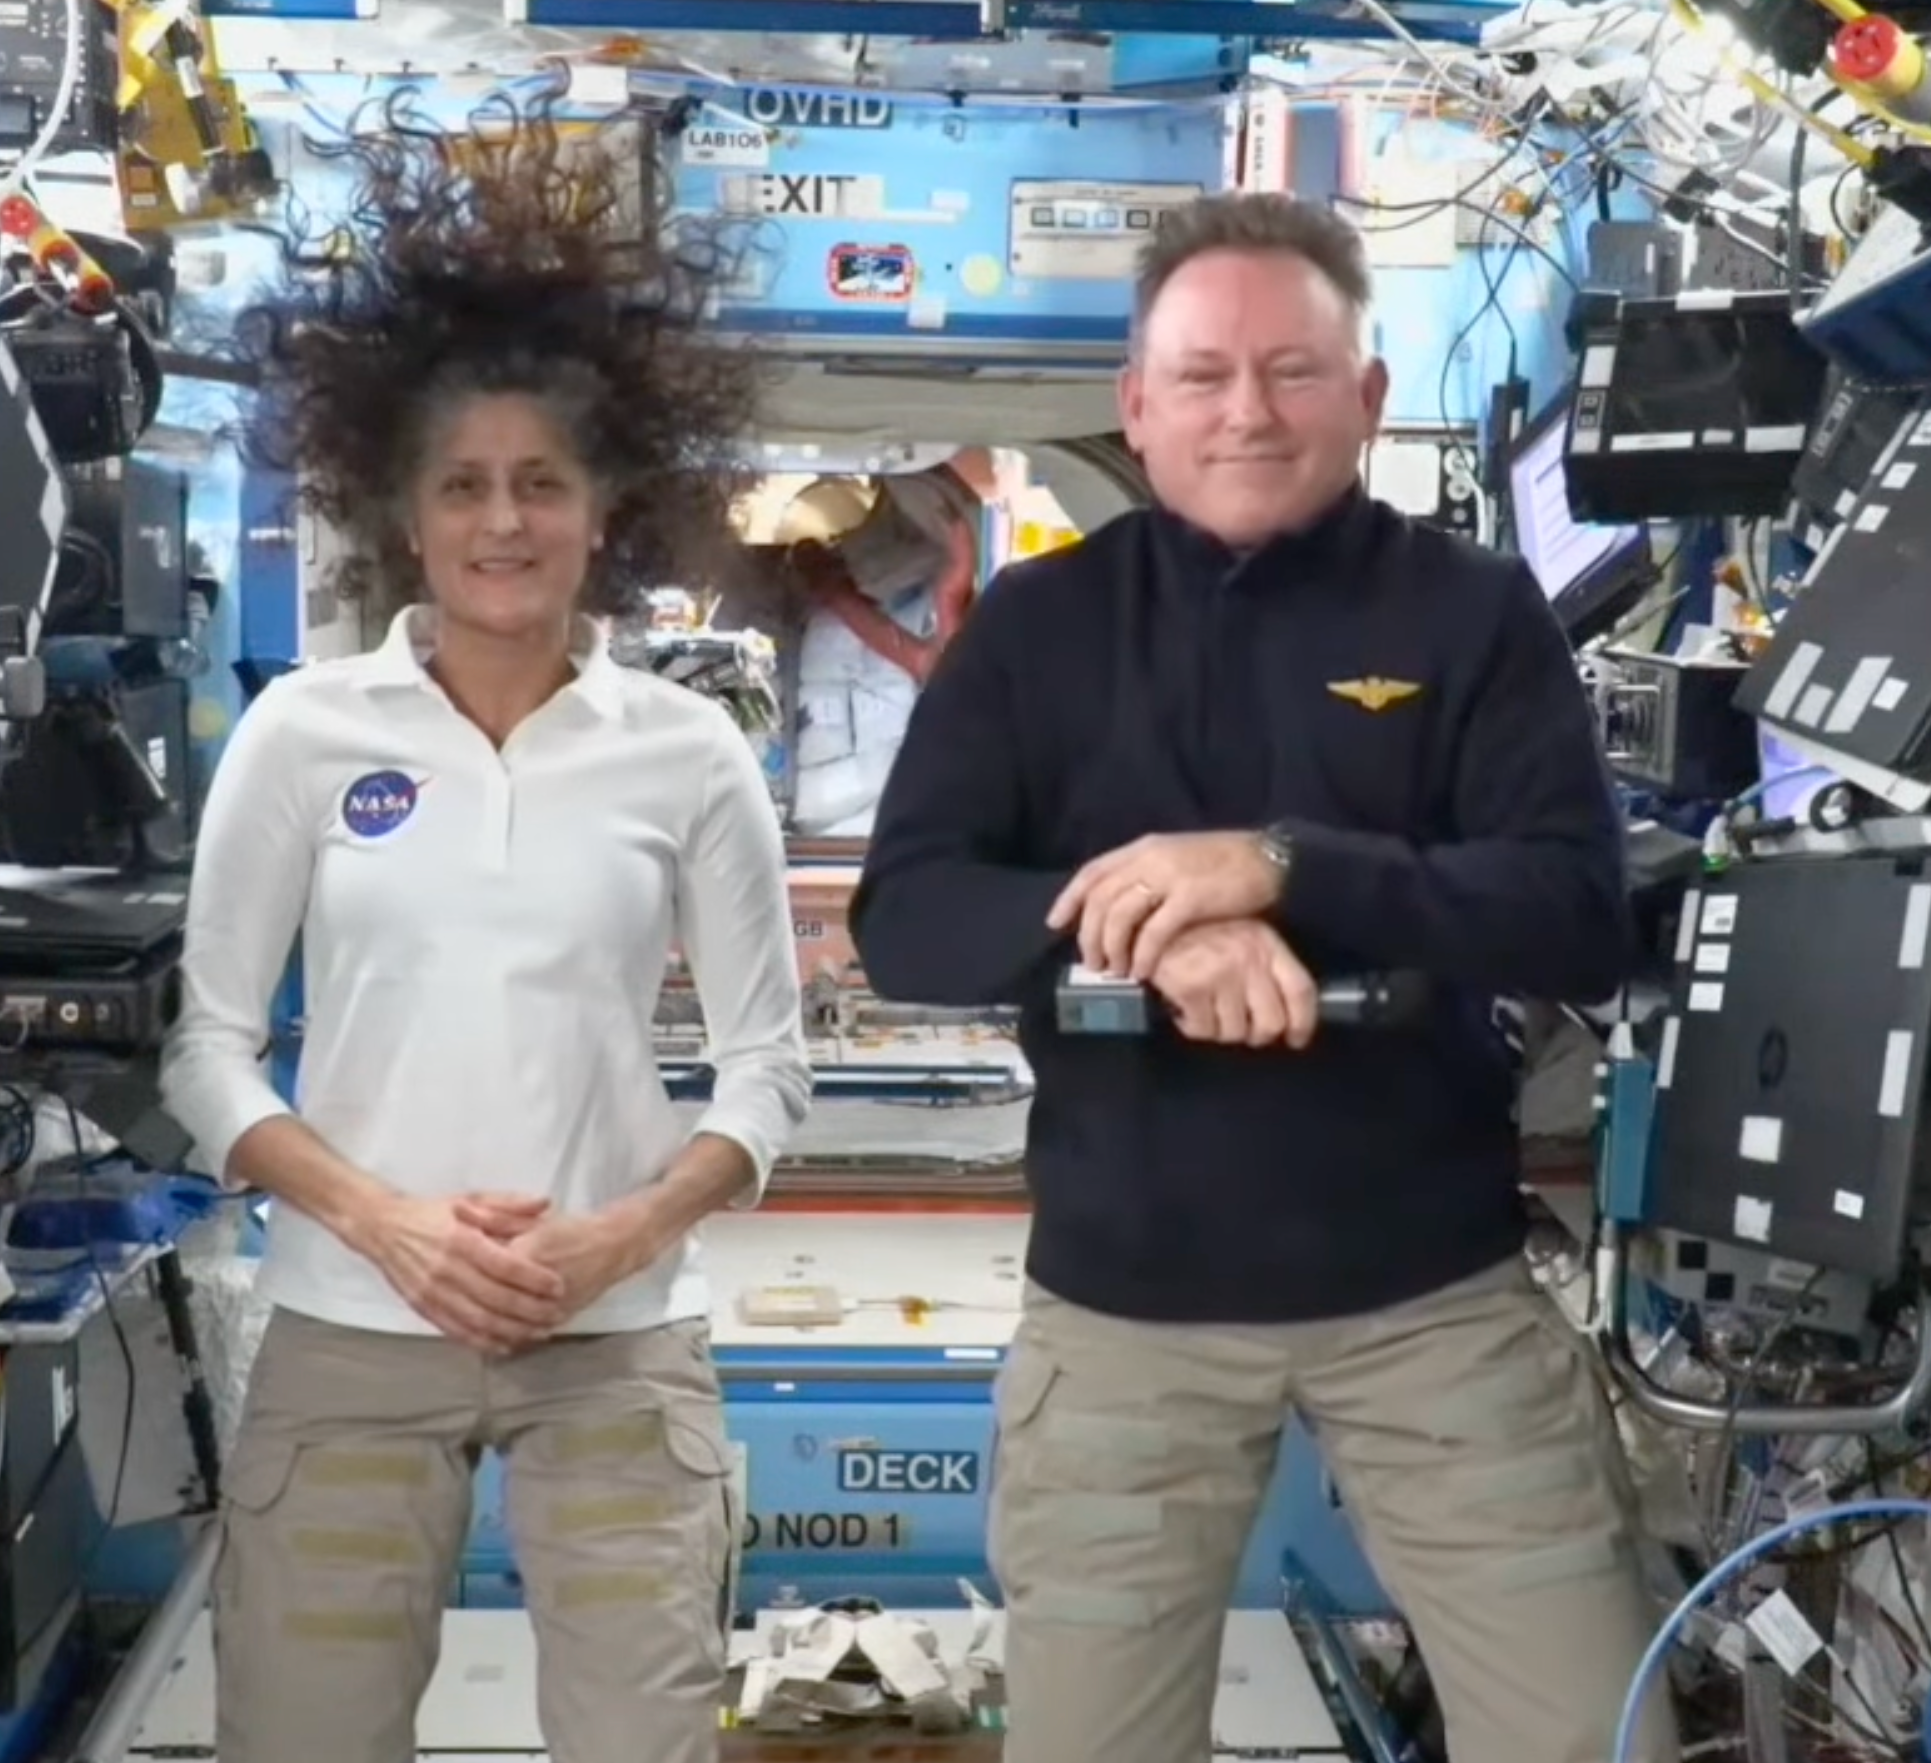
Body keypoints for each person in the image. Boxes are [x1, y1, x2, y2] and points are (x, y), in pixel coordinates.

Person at [848, 192, 1676, 1763]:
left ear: (1364, 399)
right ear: (1136, 407)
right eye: (1207, 373)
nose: (1249, 410)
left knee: (1593, 1731)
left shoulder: (1469, 611)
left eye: (1294, 372)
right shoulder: (1042, 626)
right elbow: (913, 915)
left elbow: (1576, 913)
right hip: (1124, 1310)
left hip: (1431, 1296)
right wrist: (1155, 920)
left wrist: (1288, 863)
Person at [158, 104, 811, 1763]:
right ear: (405, 510)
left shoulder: (685, 747)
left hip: (618, 1337)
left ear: (605, 508)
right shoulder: (304, 733)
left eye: (540, 483)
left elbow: (764, 1077)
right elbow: (207, 1051)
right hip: (351, 1322)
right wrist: (387, 1221)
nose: (500, 521)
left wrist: (612, 1236)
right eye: (462, 485)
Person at [778, 452, 994, 835]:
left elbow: (933, 665)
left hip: (863, 822)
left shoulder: (942, 623)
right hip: (835, 819)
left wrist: (833, 591)